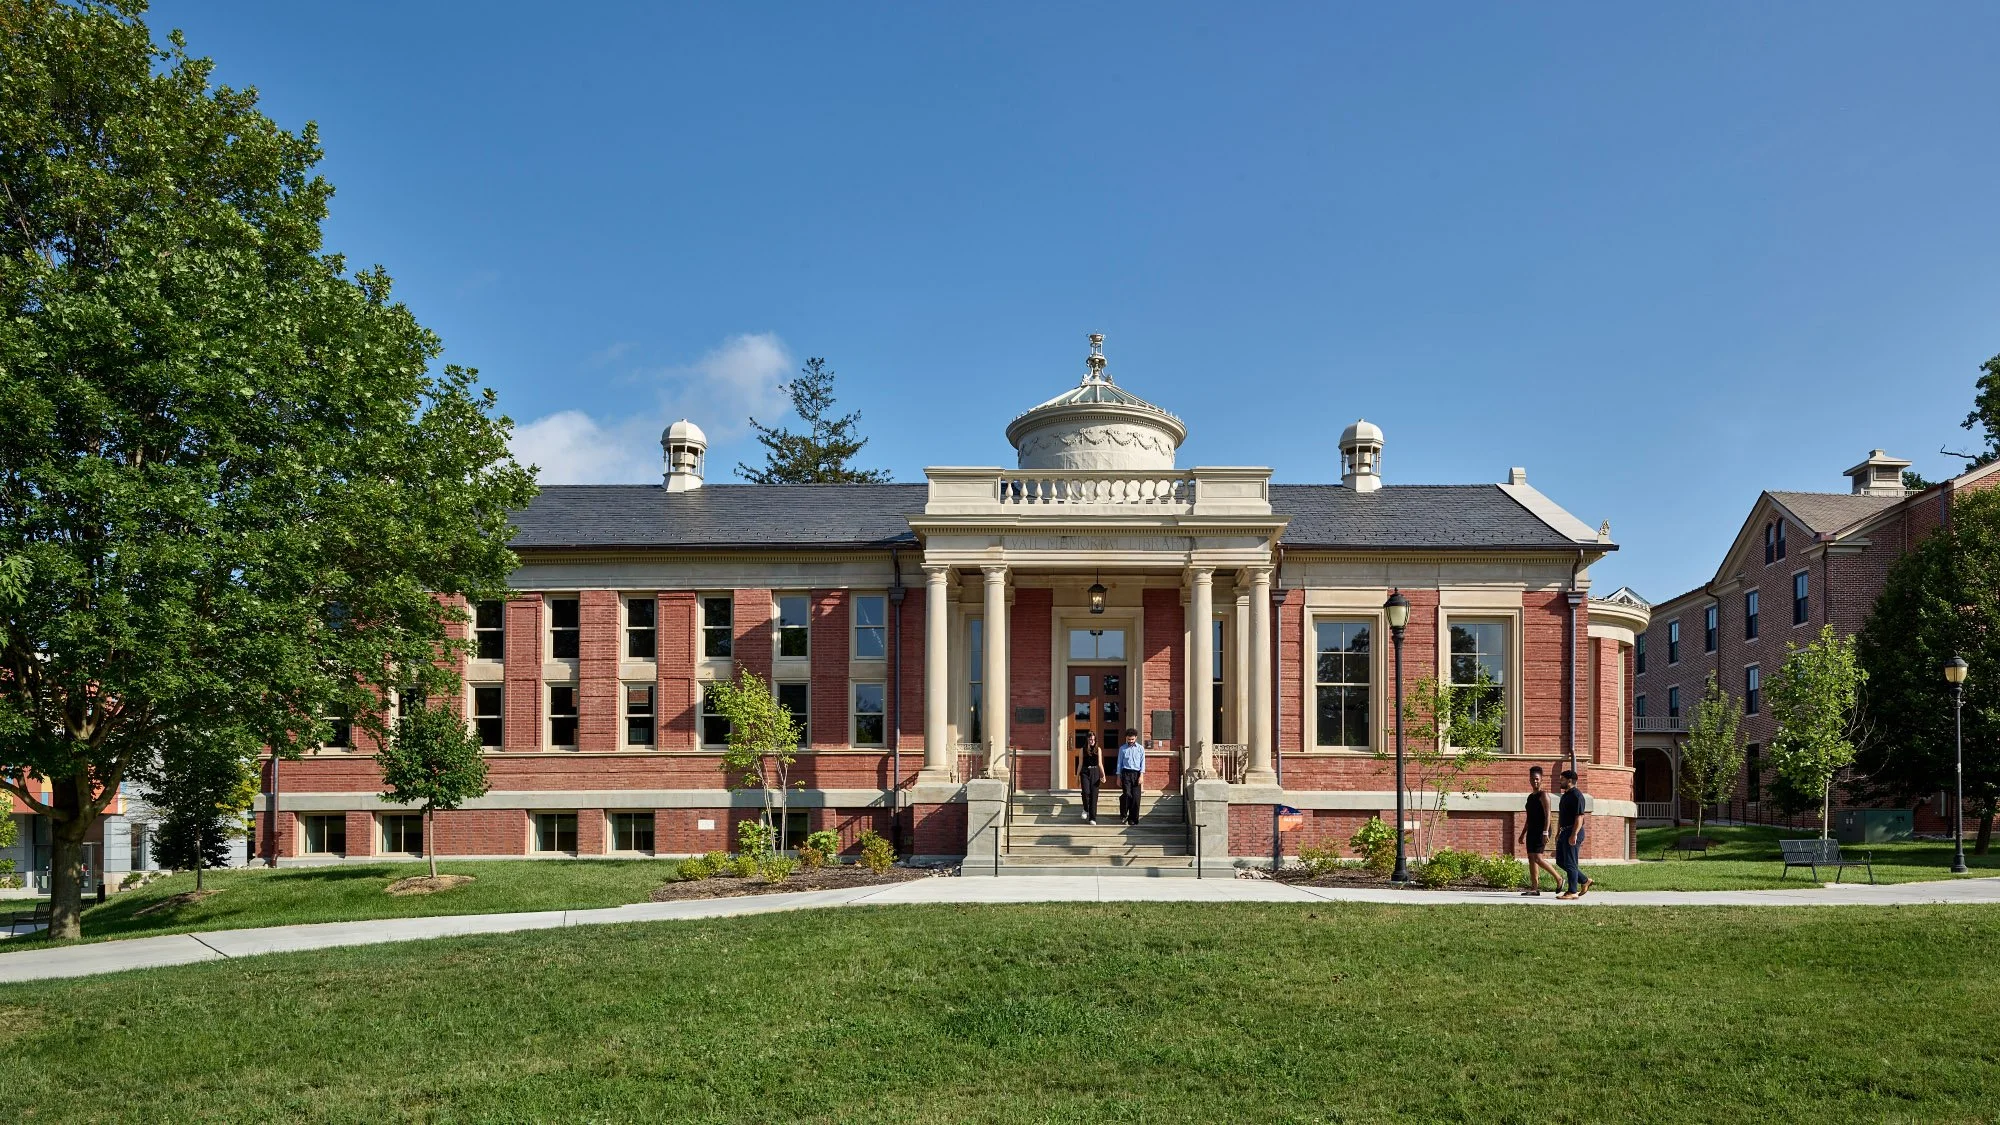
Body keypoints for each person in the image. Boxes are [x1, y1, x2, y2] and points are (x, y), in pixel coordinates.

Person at [1519, 765, 1561, 896]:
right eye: (1532, 779)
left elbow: (1548, 814)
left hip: (1541, 830)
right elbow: (1528, 817)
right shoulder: (1530, 797)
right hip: (1531, 830)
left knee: (1537, 858)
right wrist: (1522, 834)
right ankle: (1534, 888)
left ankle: (1559, 878)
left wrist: (1545, 832)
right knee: (1531, 858)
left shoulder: (1544, 795)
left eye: (1537, 779)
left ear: (1541, 779)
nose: (1534, 781)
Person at [1555, 768, 1591, 899]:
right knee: (1560, 861)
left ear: (1570, 781)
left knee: (1570, 862)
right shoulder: (1565, 796)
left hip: (1573, 831)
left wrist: (1574, 834)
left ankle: (1572, 892)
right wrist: (1558, 831)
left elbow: (1579, 817)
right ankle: (1585, 880)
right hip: (1564, 831)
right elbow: (1561, 815)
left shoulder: (1577, 796)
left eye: (1562, 779)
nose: (1560, 781)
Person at [1116, 728, 1146, 826]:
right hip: (1126, 774)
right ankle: (1124, 815)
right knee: (1127, 795)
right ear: (1126, 738)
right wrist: (1118, 777)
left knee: (1136, 798)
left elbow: (1143, 763)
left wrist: (1141, 776)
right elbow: (1119, 763)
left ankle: (1133, 818)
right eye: (1129, 739)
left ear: (1136, 738)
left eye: (1132, 739)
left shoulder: (1140, 748)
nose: (1131, 741)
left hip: (1136, 774)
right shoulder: (1122, 749)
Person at [1078, 731, 1104, 824]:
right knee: (1086, 792)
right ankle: (1085, 809)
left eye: (1093, 739)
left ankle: (1092, 818)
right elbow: (1080, 764)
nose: (1092, 741)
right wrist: (1077, 777)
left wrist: (1103, 775)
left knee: (1094, 795)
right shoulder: (1082, 750)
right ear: (1087, 739)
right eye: (1090, 739)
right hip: (1085, 772)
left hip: (1095, 772)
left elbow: (1100, 764)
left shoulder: (1098, 749)